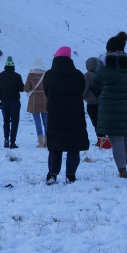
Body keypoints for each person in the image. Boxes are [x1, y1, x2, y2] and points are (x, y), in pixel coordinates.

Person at [90, 31, 127, 178]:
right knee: (126, 141)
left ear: (109, 50)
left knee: (117, 142)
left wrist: (103, 95)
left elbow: (95, 86)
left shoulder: (105, 65)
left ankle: (122, 172)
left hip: (111, 110)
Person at [43, 46, 90, 184]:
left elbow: (46, 92)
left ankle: (52, 174)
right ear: (70, 58)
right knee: (73, 146)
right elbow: (82, 90)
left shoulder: (49, 75)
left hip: (55, 116)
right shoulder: (78, 75)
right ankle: (70, 175)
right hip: (75, 117)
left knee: (55, 147)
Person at [0, 56, 24, 148]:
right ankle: (12, 142)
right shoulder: (17, 76)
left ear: (5, 66)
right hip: (15, 101)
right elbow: (22, 89)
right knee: (15, 121)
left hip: (4, 101)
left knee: (6, 121)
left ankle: (6, 140)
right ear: (13, 67)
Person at [25, 57, 48, 148]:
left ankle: (41, 143)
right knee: (46, 122)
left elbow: (26, 89)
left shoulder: (31, 74)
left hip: (34, 101)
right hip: (45, 101)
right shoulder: (46, 73)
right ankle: (47, 142)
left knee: (37, 122)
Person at [83, 56, 103, 147]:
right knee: (102, 122)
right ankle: (103, 140)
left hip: (92, 104)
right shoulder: (102, 74)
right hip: (103, 103)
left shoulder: (87, 76)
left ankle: (101, 141)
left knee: (96, 123)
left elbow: (84, 90)